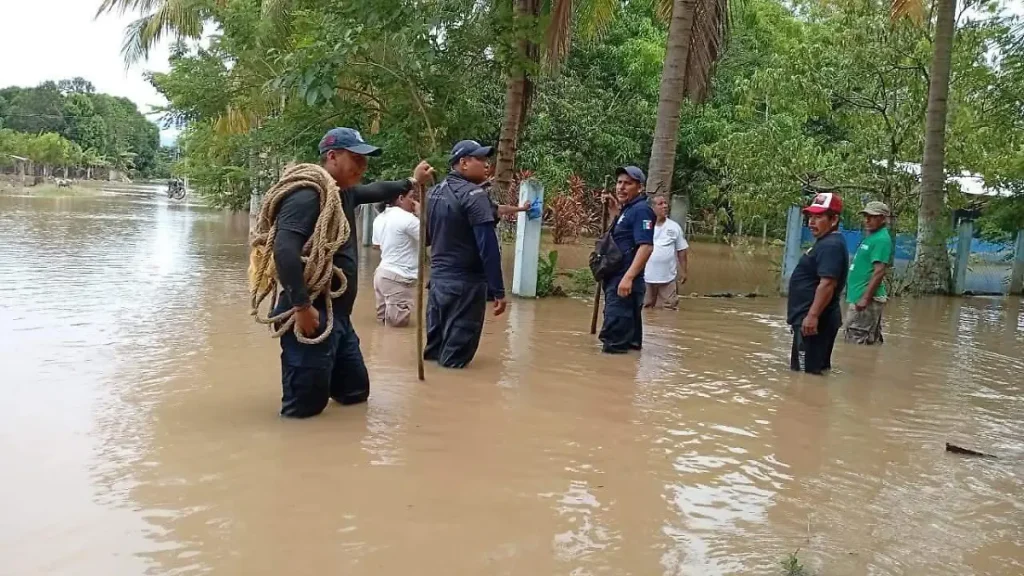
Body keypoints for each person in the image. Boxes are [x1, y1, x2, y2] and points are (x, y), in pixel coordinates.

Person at [272, 127, 434, 417]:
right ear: (332, 157)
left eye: (365, 159)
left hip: (340, 318)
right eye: (356, 158)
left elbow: (376, 190)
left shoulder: (342, 194)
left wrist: (411, 181)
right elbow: (284, 249)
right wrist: (301, 305)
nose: (363, 165)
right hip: (313, 314)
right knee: (304, 410)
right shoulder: (308, 195)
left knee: (355, 393)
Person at [423, 140, 507, 368]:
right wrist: (498, 290)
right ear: (464, 163)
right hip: (465, 287)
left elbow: (426, 239)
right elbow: (488, 247)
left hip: (438, 285)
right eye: (480, 159)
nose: (486, 164)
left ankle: (427, 399)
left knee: (434, 350)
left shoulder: (432, 193)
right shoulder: (475, 195)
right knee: (455, 361)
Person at [787, 192, 849, 375]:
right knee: (814, 374)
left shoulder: (830, 245)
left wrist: (812, 316)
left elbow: (827, 284)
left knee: (804, 377)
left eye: (819, 217)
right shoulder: (827, 242)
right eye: (810, 216)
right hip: (815, 321)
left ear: (834, 219)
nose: (811, 222)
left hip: (813, 324)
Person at [598, 166, 656, 354]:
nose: (621, 187)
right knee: (628, 343)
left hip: (624, 284)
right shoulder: (628, 210)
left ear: (639, 188)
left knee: (614, 343)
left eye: (628, 183)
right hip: (617, 280)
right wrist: (614, 209)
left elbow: (646, 246)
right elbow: (623, 236)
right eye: (619, 182)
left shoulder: (641, 211)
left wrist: (628, 277)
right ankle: (626, 378)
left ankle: (610, 380)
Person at [370, 188, 420, 328]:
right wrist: (421, 213)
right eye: (412, 197)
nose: (415, 201)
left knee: (383, 324)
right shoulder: (409, 219)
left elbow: (376, 245)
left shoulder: (379, 218)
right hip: (399, 277)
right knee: (398, 329)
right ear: (401, 198)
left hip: (382, 274)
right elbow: (431, 237)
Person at [845, 201, 893, 344]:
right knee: (870, 341)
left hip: (866, 300)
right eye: (865, 216)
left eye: (872, 216)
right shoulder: (872, 237)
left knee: (855, 341)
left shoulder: (881, 239)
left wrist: (865, 298)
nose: (867, 220)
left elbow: (879, 271)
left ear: (883, 219)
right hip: (860, 297)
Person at [643, 194, 689, 310]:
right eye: (660, 204)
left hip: (667, 278)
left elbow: (681, 250)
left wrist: (684, 271)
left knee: (669, 309)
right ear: (652, 208)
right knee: (644, 307)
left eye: (665, 203)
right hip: (645, 277)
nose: (665, 206)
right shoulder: (645, 225)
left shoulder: (674, 227)